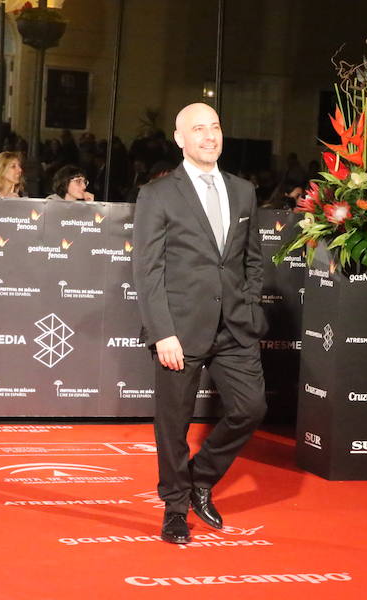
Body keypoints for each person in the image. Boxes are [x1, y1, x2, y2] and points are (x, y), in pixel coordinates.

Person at [132, 103, 268, 545]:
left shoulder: (244, 191)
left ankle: (199, 478)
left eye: (214, 127)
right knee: (174, 424)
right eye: (198, 129)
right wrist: (161, 331)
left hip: (234, 327)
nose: (209, 136)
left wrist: (247, 306)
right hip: (179, 330)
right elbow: (147, 269)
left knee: (251, 409)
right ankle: (174, 508)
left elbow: (252, 261)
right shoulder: (158, 194)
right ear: (179, 139)